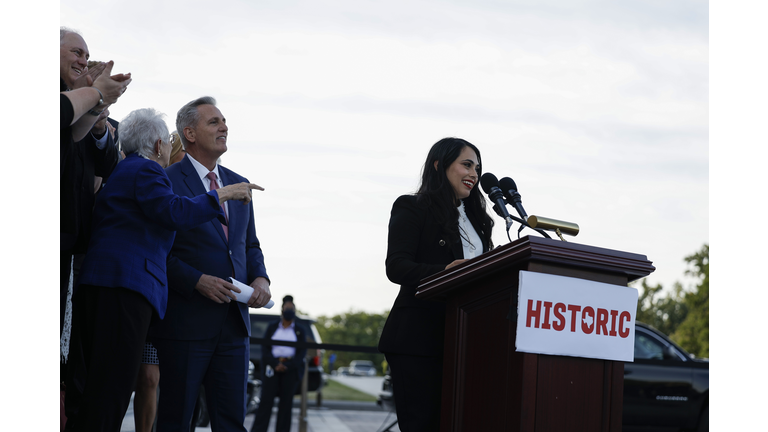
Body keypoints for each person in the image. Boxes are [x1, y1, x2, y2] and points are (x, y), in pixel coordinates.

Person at [63, 107, 261, 432]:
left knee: (100, 390)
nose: (170, 148)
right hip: (125, 289)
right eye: (167, 142)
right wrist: (221, 195)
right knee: (111, 390)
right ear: (157, 146)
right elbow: (174, 211)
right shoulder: (147, 170)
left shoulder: (126, 170)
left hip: (108, 286)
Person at [151, 96, 272, 432]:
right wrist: (196, 280)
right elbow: (157, 250)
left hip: (235, 326)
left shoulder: (239, 181)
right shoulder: (167, 180)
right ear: (189, 133)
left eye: (224, 121)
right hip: (185, 322)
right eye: (214, 122)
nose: (224, 127)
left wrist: (261, 279)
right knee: (176, 419)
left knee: (232, 421)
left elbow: (249, 245)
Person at [377, 137, 494, 431]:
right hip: (419, 340)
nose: (474, 174)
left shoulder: (478, 221)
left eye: (477, 169)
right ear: (440, 165)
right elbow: (397, 267)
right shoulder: (413, 207)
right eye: (466, 165)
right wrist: (445, 270)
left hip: (465, 341)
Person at [251, 296, 308, 432]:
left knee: (286, 404)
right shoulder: (272, 327)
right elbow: (265, 349)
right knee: (266, 402)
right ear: (282, 310)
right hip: (272, 367)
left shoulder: (299, 330)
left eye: (292, 309)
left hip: (290, 369)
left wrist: (288, 366)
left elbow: (301, 352)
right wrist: (275, 364)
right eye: (287, 308)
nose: (289, 311)